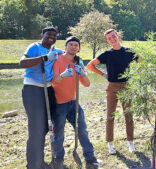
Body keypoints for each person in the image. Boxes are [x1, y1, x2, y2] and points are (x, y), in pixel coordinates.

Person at [87, 29, 141, 154]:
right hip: (111, 87)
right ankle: (110, 144)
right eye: (109, 38)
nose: (112, 39)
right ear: (107, 40)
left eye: (113, 36)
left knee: (128, 115)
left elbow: (142, 62)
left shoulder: (128, 51)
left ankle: (130, 143)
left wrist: (134, 75)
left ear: (117, 35)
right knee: (110, 116)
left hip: (126, 87)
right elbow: (90, 65)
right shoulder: (107, 54)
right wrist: (103, 75)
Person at [51, 36, 102, 168]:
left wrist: (83, 74)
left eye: (76, 45)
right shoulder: (58, 60)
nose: (73, 47)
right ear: (65, 47)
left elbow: (87, 84)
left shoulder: (79, 62)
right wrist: (63, 75)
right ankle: (59, 159)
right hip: (59, 104)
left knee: (82, 130)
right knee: (59, 133)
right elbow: (54, 81)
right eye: (71, 44)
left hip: (74, 102)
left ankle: (89, 157)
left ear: (79, 48)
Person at [19, 27, 63, 169]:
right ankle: (34, 164)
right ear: (42, 35)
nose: (51, 37)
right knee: (36, 128)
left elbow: (69, 52)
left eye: (54, 35)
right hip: (33, 89)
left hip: (48, 89)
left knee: (46, 126)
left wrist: (78, 60)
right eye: (48, 34)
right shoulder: (34, 46)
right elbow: (22, 63)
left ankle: (40, 160)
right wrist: (44, 58)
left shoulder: (55, 50)